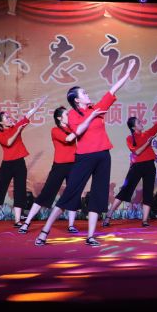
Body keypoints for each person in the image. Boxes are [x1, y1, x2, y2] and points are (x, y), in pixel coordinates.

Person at [33, 64, 137, 247]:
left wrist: (127, 73)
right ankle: (44, 231)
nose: (88, 95)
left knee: (98, 194)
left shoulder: (96, 108)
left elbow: (112, 90)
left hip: (103, 156)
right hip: (85, 157)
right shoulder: (72, 115)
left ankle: (90, 236)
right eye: (84, 93)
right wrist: (91, 116)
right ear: (76, 100)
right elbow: (79, 131)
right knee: (70, 194)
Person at [0, 95, 48, 228]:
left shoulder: (16, 127)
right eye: (6, 118)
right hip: (7, 165)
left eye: (9, 117)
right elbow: (9, 143)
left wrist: (38, 106)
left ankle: (17, 220)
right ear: (1, 123)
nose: (10, 119)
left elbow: (27, 115)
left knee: (20, 191)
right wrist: (18, 131)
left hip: (19, 164)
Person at [102, 107, 157, 227]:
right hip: (137, 167)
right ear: (133, 127)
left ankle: (144, 220)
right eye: (138, 122)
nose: (141, 123)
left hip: (150, 166)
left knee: (148, 192)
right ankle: (108, 216)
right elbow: (137, 152)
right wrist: (148, 142)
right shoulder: (130, 139)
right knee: (125, 191)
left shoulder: (147, 133)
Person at [18, 107, 77, 234]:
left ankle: (71, 225)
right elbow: (68, 139)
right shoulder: (55, 130)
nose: (69, 116)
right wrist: (80, 128)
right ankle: (27, 222)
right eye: (67, 114)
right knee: (45, 194)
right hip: (59, 166)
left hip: (74, 165)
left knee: (73, 194)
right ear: (59, 118)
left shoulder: (73, 129)